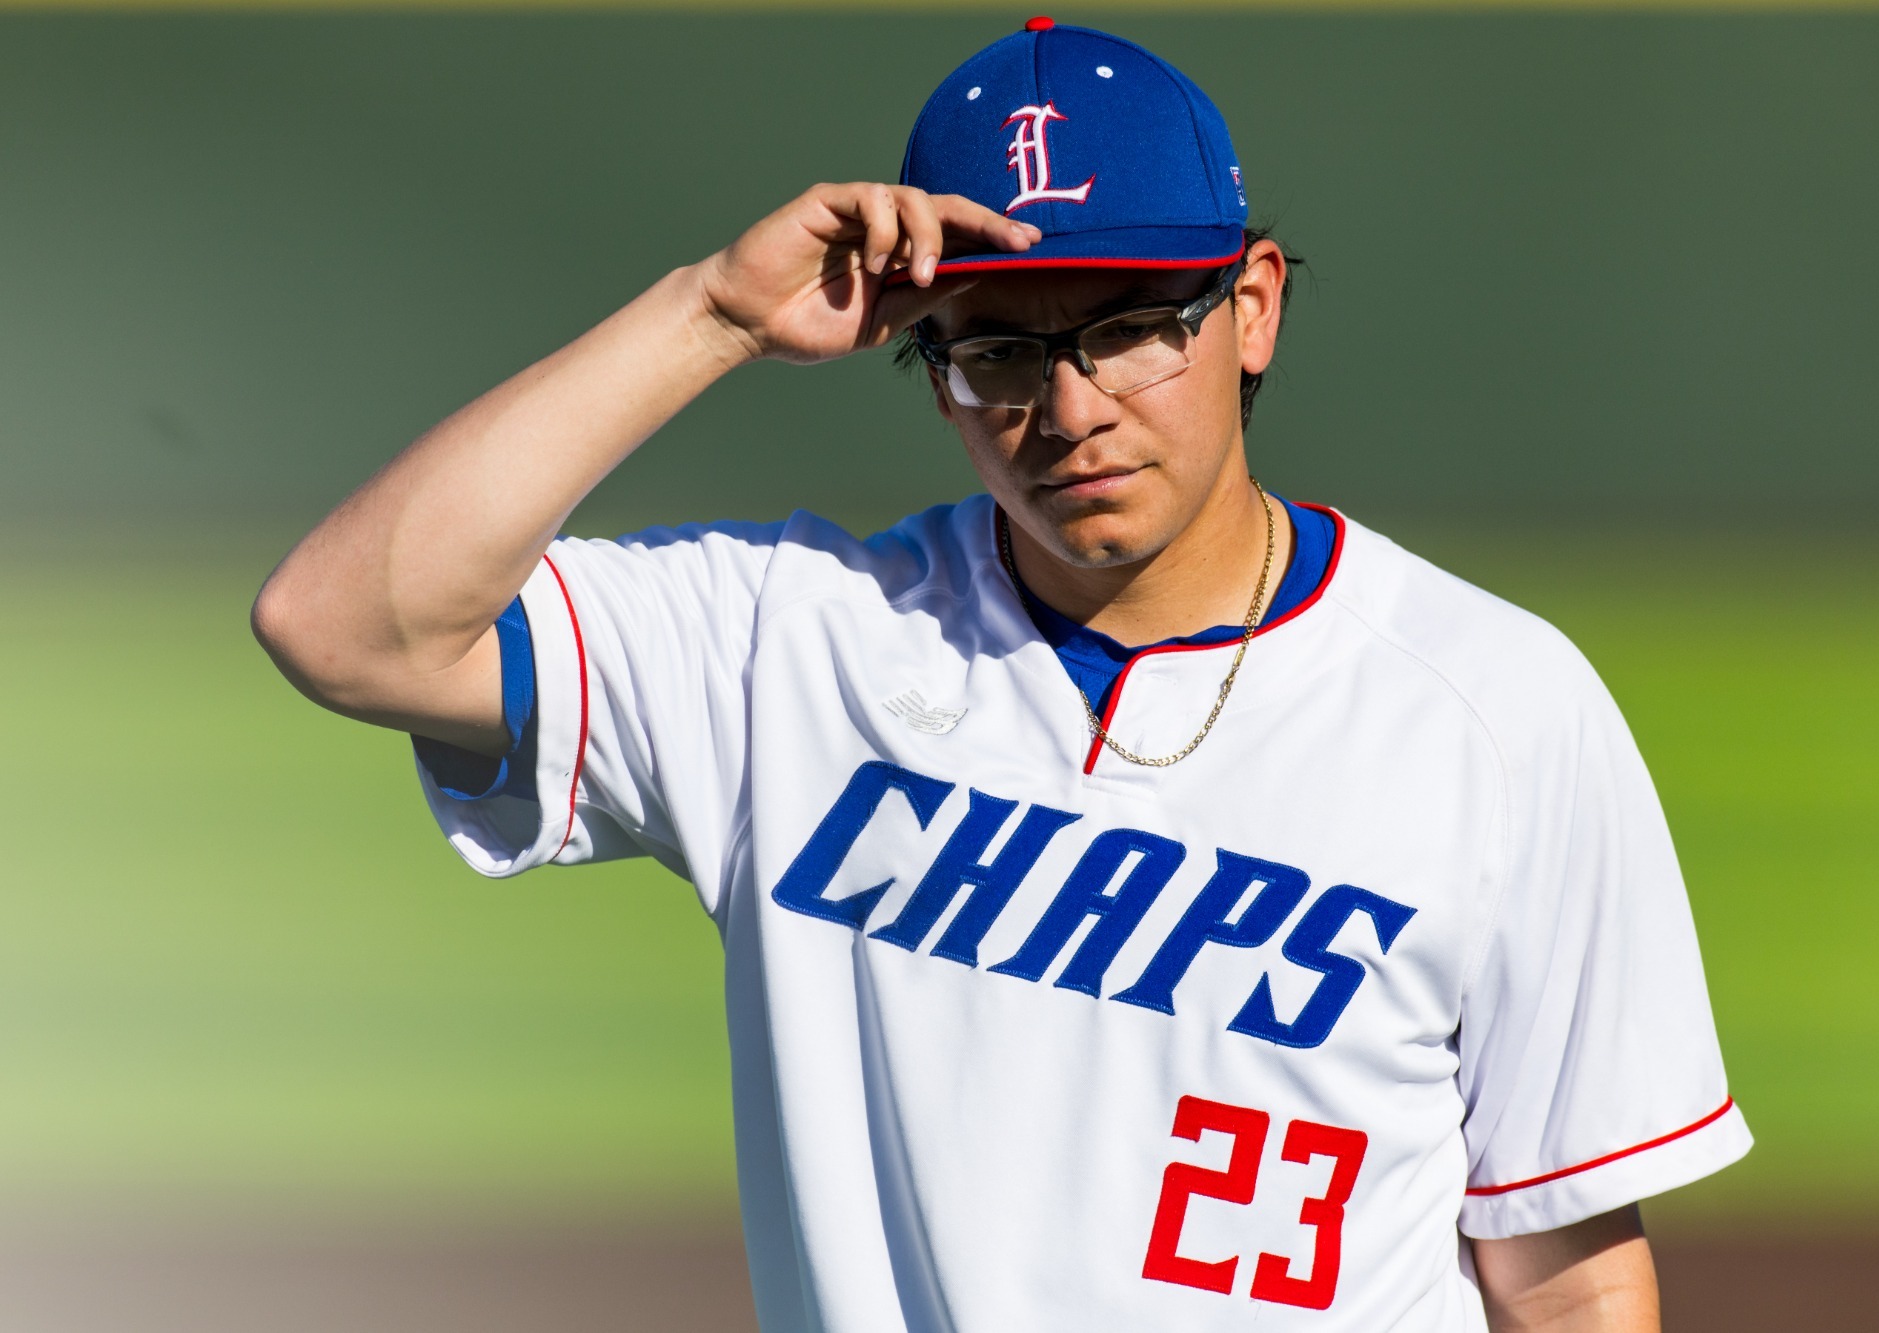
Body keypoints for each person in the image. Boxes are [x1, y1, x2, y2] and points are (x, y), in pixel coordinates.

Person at [253, 18, 1749, 1332]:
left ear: (1255, 307)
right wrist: (708, 312)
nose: (1073, 408)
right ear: (925, 354)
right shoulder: (795, 646)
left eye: (1132, 328)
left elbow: (1567, 1275)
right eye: (999, 355)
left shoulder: (1496, 709)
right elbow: (345, 624)